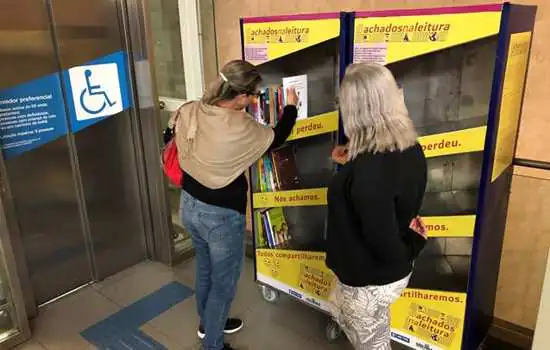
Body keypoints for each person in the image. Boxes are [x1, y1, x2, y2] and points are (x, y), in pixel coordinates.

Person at [167, 60, 299, 350]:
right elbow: (277, 138)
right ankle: (213, 345)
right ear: (238, 96)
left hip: (189, 206)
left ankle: (208, 323)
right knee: (224, 284)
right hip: (221, 217)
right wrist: (291, 106)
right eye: (251, 95)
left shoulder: (191, 108)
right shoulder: (241, 127)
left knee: (205, 269)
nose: (253, 100)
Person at [325, 62, 428, 350]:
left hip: (370, 278)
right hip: (381, 277)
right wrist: (352, 165)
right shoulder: (409, 147)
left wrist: (415, 245)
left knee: (371, 342)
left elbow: (383, 243)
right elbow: (388, 188)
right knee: (362, 320)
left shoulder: (370, 174)